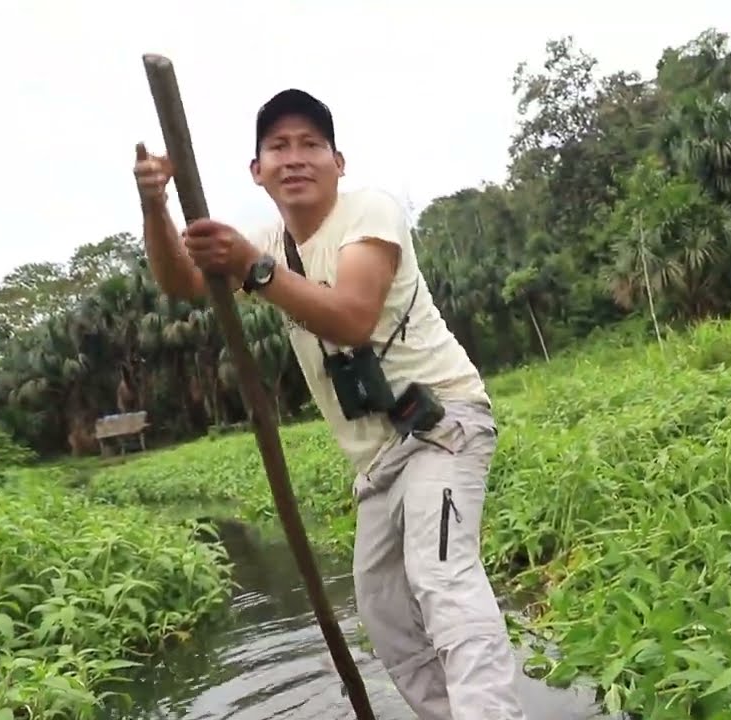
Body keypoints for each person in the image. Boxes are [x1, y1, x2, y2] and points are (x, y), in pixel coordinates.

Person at [132, 88, 527, 720]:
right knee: (387, 616)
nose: (295, 157)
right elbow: (183, 281)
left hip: (440, 427)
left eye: (311, 144)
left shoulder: (369, 212)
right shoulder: (268, 237)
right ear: (257, 170)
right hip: (375, 463)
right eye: (278, 146)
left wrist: (254, 269)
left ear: (338, 163)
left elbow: (351, 318)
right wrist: (155, 204)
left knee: (443, 579)